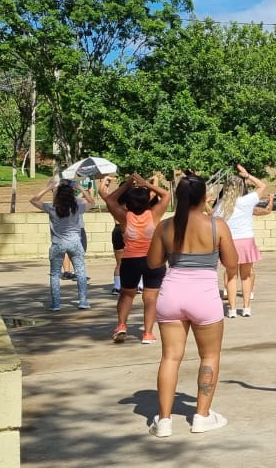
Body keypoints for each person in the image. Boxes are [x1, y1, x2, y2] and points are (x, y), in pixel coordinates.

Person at [145, 174, 237, 437]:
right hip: (204, 296)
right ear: (204, 197)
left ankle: (164, 421)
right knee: (209, 356)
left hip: (171, 294)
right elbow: (232, 263)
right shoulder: (217, 226)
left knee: (170, 357)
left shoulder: (165, 226)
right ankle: (201, 416)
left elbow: (153, 263)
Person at [104, 174, 172, 344]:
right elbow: (166, 195)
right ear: (147, 201)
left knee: (126, 295)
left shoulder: (123, 216)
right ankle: (147, 334)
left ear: (127, 203)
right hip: (153, 260)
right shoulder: (154, 214)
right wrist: (146, 184)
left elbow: (110, 199)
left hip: (130, 260)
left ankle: (121, 325)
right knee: (151, 297)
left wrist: (127, 184)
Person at [215, 165, 271, 317]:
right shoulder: (247, 200)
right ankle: (246, 308)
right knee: (246, 276)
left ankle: (232, 309)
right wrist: (247, 176)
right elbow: (262, 186)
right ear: (241, 188)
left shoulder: (221, 205)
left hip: (229, 243)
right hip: (246, 241)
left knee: (231, 276)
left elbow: (215, 222)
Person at [30, 178, 93, 310]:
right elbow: (92, 202)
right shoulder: (77, 208)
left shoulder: (52, 208)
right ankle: (83, 301)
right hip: (75, 243)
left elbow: (33, 200)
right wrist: (81, 188)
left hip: (57, 244)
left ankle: (56, 304)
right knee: (81, 272)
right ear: (72, 195)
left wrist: (48, 188)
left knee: (55, 274)